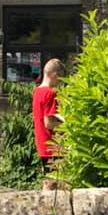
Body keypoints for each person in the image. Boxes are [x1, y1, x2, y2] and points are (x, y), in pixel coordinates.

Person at [32, 58, 66, 190]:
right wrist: (68, 124)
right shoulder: (51, 93)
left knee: (48, 182)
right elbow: (49, 123)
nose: (61, 82)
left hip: (42, 144)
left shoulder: (37, 91)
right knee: (59, 185)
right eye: (61, 78)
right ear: (54, 75)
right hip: (54, 146)